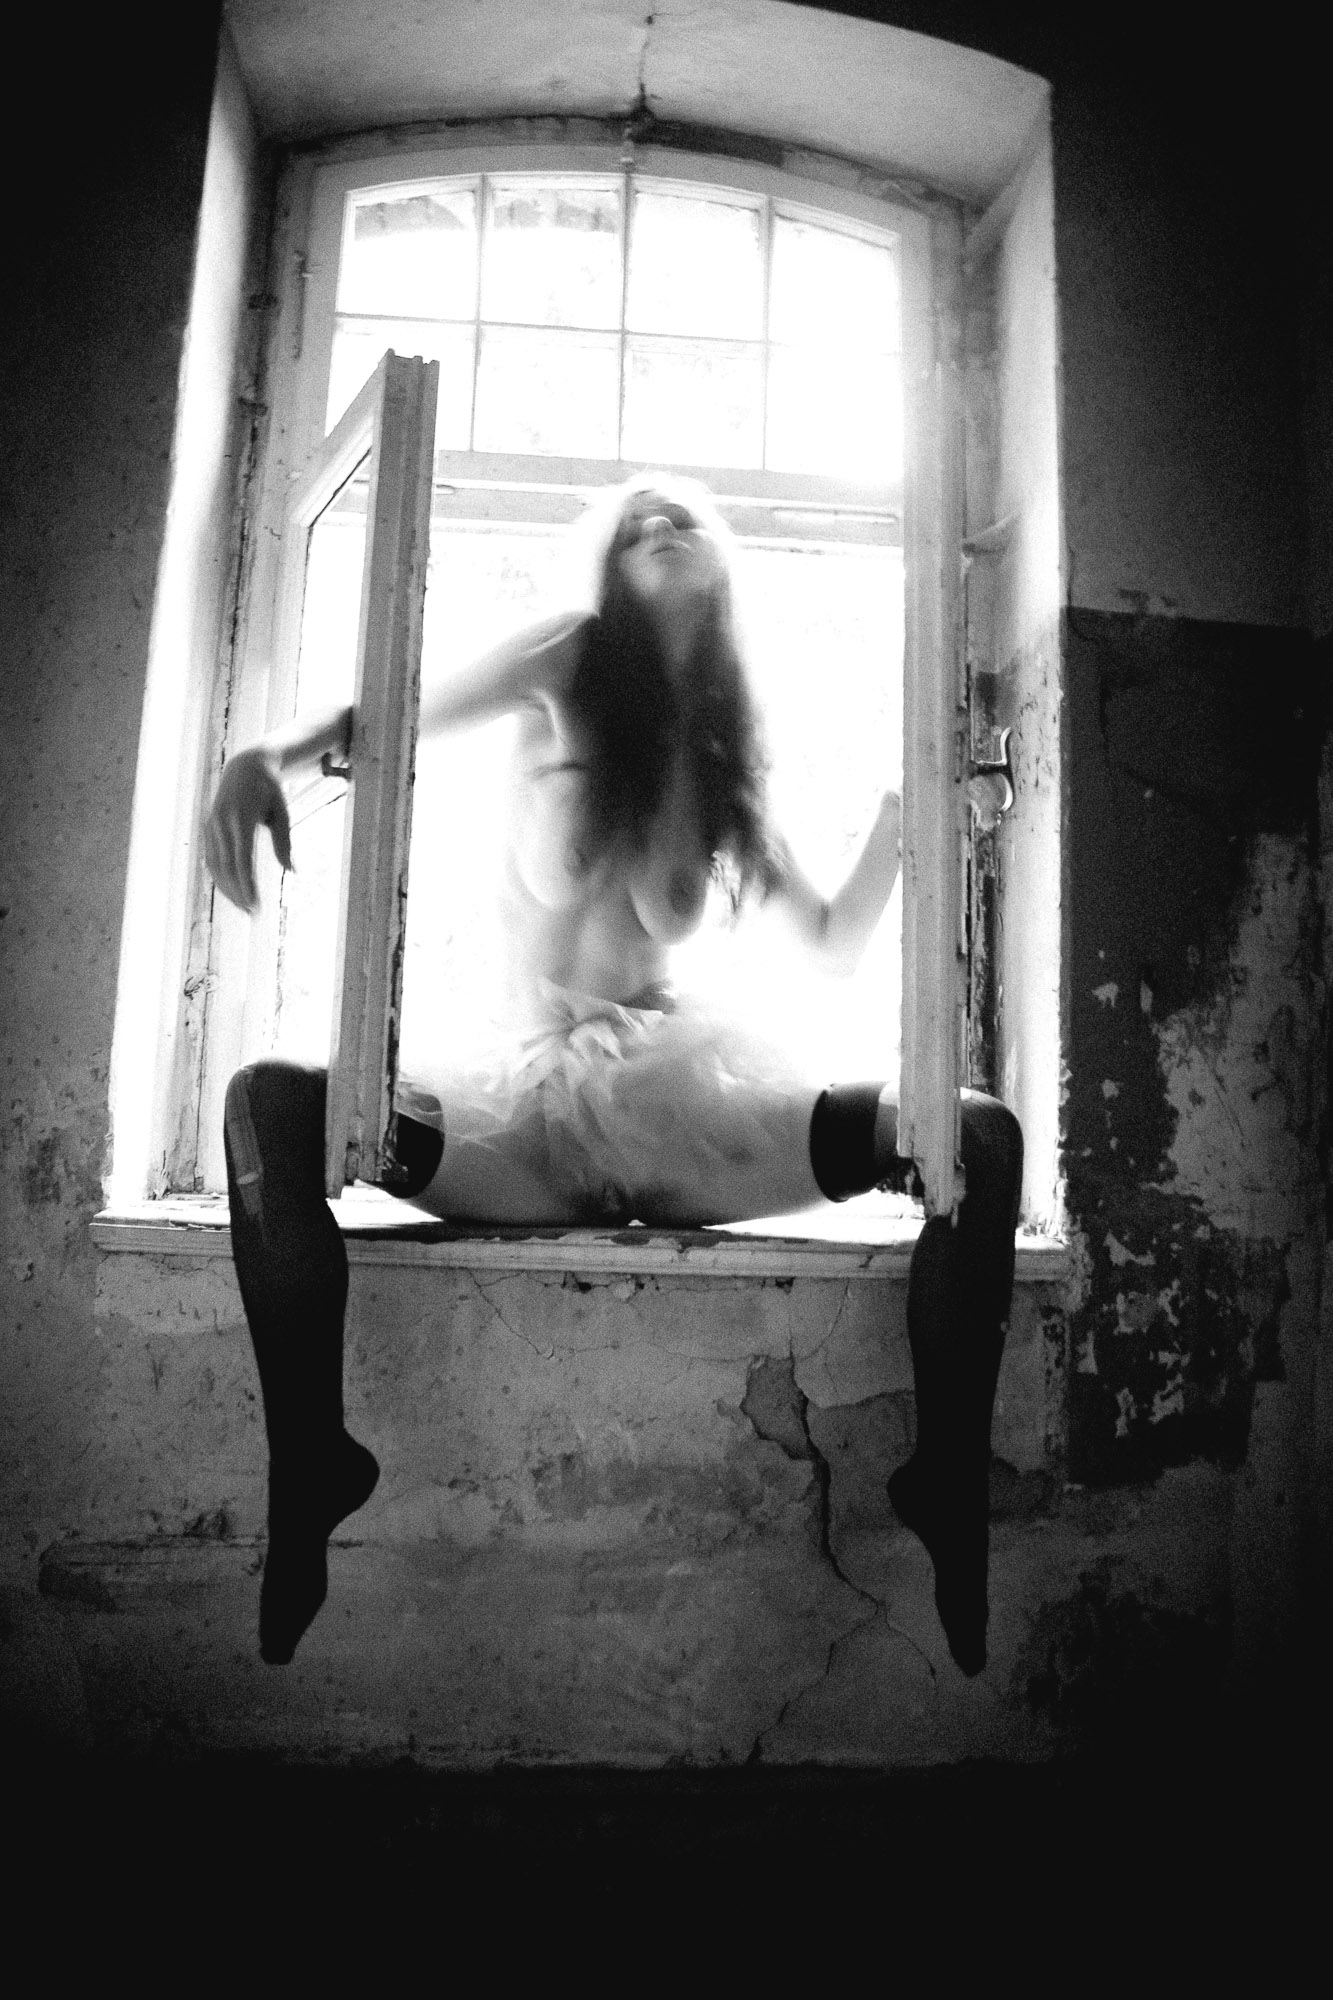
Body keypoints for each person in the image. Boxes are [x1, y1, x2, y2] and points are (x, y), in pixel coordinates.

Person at [205, 473, 1022, 1676]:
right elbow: (385, 716)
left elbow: (833, 941)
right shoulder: (568, 657)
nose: (660, 526)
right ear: (606, 564)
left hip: (688, 1123)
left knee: (978, 1135)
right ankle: (313, 1465)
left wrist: (912, 810)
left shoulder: (722, 757)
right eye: (635, 522)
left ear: (722, 564)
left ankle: (946, 1480)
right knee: (269, 1103)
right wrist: (260, 758)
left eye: (683, 515)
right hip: (523, 1122)